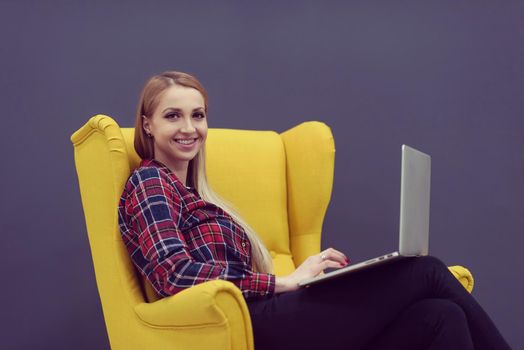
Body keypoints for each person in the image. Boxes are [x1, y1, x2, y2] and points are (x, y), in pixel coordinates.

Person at [118, 70, 511, 350]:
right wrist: (284, 283)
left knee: (442, 316)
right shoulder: (151, 181)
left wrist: (303, 281)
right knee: (424, 271)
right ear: (148, 125)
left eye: (198, 115)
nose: (189, 127)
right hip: (248, 327)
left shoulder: (199, 196)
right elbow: (174, 272)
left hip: (271, 315)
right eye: (173, 115)